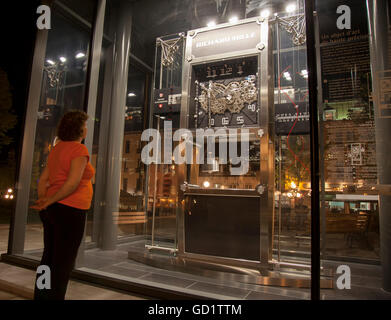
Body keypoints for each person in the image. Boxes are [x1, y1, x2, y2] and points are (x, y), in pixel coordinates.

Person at [31, 110, 95, 300]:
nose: (86, 129)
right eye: (85, 126)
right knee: (63, 263)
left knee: (48, 258)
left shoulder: (57, 149)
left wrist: (45, 200)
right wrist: (50, 201)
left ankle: (41, 296)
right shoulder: (79, 150)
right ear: (80, 130)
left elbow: (43, 181)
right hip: (71, 211)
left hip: (52, 210)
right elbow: (72, 183)